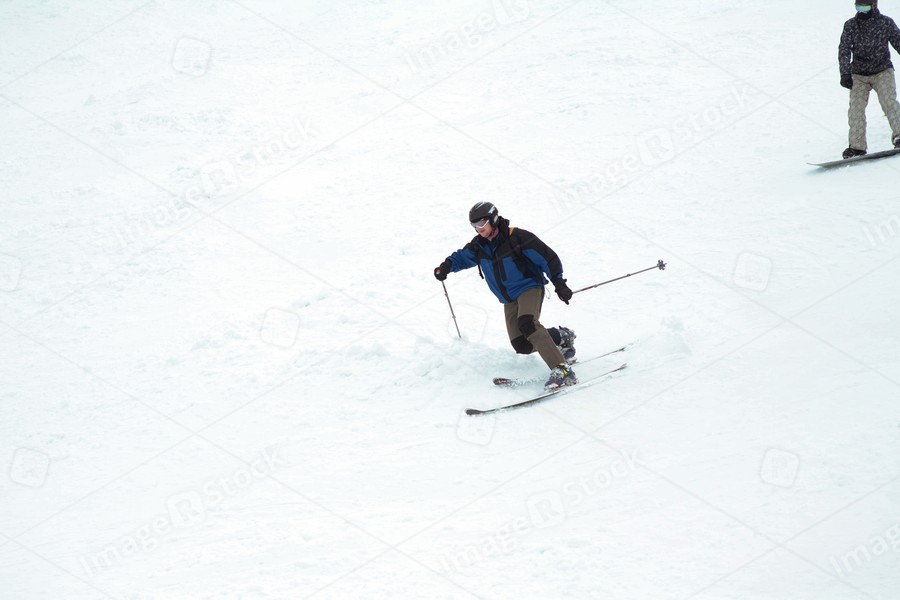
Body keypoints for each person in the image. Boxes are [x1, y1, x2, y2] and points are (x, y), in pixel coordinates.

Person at [433, 202, 578, 390]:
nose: (478, 229)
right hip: (509, 298)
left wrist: (559, 283)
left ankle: (562, 370)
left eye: (482, 223)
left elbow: (547, 258)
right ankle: (561, 337)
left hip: (529, 287)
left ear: (493, 219)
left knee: (527, 323)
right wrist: (446, 267)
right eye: (474, 225)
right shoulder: (479, 246)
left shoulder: (517, 237)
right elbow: (461, 257)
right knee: (521, 344)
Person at [839, 0, 900, 159]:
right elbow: (844, 50)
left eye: (864, 6)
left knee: (889, 102)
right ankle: (857, 147)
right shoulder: (851, 25)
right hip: (859, 75)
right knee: (856, 109)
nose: (861, 10)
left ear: (873, 6)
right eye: (858, 6)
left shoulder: (885, 23)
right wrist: (845, 73)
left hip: (882, 71)